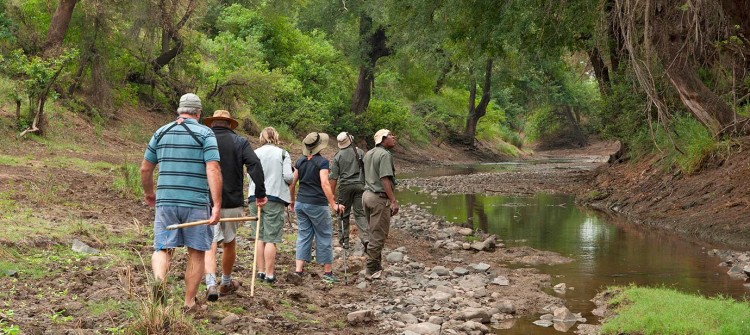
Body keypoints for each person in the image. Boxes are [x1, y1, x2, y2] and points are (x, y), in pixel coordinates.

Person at [140, 93, 222, 312]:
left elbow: (145, 168)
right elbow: (212, 168)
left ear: (179, 111)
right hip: (195, 202)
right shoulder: (205, 133)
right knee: (196, 252)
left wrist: (150, 193)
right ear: (198, 113)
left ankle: (159, 281)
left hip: (166, 201)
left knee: (162, 248)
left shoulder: (161, 132)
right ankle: (189, 303)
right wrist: (217, 204)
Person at [202, 110, 267, 301]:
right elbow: (254, 164)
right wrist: (260, 194)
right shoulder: (239, 141)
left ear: (212, 123)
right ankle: (225, 282)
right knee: (229, 243)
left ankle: (210, 283)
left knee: (209, 243)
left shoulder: (204, 139)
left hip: (207, 200)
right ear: (230, 124)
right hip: (232, 201)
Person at [289, 132, 345, 283]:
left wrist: (292, 202)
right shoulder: (322, 162)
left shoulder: (300, 161)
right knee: (324, 235)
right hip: (317, 204)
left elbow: (292, 183)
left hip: (301, 203)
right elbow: (325, 183)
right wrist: (333, 204)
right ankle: (327, 273)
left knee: (304, 235)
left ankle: (298, 270)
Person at [248, 127, 293, 285]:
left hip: (254, 196)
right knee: (271, 238)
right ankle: (269, 274)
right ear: (276, 137)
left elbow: (249, 174)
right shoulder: (282, 153)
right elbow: (288, 176)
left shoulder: (255, 152)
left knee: (259, 236)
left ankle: (260, 271)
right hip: (274, 197)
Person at [362, 129, 399, 279]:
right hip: (378, 198)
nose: (393, 137)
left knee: (373, 231)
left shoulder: (369, 153)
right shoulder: (384, 154)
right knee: (379, 235)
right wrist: (393, 201)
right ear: (383, 139)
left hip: (367, 195)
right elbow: (385, 179)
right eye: (390, 135)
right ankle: (371, 269)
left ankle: (377, 265)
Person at [329, 132, 368, 250]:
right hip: (360, 185)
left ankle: (344, 241)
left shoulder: (338, 156)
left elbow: (334, 177)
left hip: (345, 187)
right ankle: (366, 238)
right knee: (360, 213)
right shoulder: (360, 152)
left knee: (343, 214)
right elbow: (367, 169)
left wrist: (331, 196)